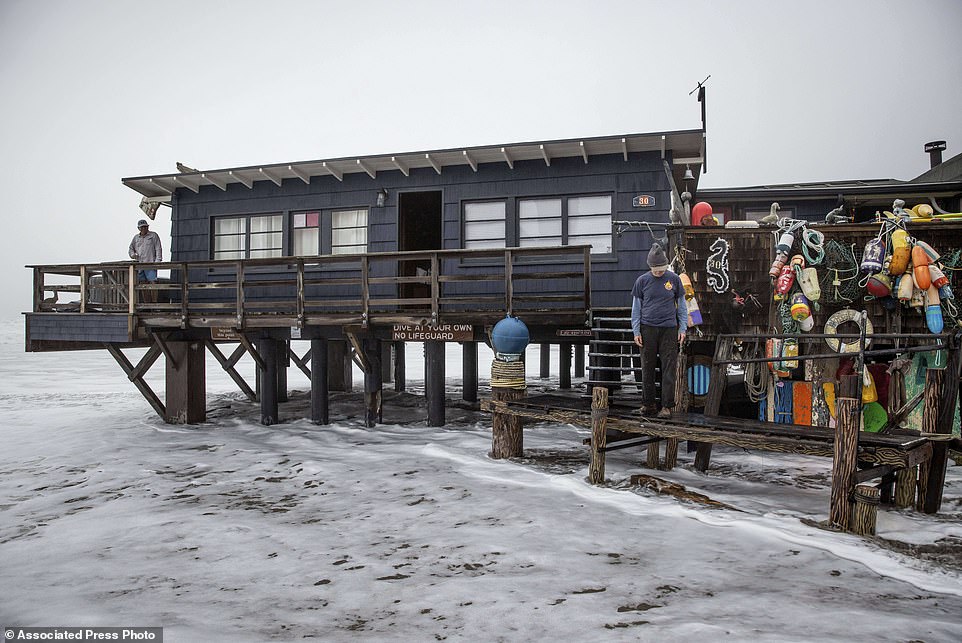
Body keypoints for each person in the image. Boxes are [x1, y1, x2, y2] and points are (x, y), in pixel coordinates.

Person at [631, 242, 687, 418]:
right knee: (646, 367)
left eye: (661, 269)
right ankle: (648, 404)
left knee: (668, 368)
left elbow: (682, 307)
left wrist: (682, 328)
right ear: (650, 267)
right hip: (648, 328)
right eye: (656, 270)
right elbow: (636, 309)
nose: (659, 273)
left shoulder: (674, 279)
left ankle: (667, 406)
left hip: (669, 328)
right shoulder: (642, 281)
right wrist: (636, 331)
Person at [129, 219, 163, 303]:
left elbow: (158, 248)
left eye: (145, 227)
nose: (144, 228)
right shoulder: (136, 238)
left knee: (153, 284)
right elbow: (130, 249)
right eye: (142, 227)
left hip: (151, 264)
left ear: (148, 227)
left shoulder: (153, 235)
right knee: (143, 285)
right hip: (140, 265)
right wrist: (133, 255)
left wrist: (158, 261)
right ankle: (147, 304)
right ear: (139, 228)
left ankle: (154, 304)